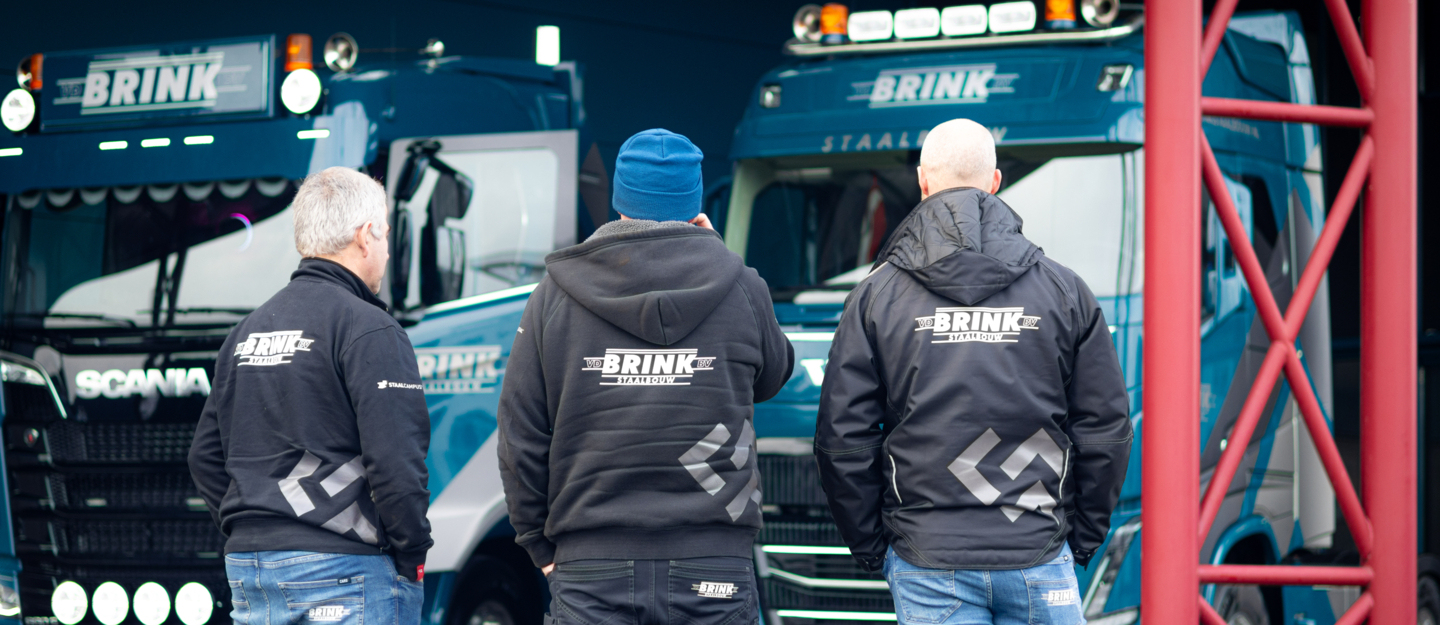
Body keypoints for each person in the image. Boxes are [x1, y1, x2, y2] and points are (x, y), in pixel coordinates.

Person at [814, 119, 1131, 625]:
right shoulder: (1066, 292)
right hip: (1038, 551)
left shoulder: (875, 296)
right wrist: (1081, 540)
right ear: (996, 182)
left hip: (926, 558)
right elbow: (1105, 431)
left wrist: (874, 547)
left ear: (922, 181)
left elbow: (842, 440)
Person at [498, 128, 794, 625]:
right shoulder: (740, 286)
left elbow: (519, 432)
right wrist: (714, 255)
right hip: (713, 561)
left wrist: (539, 545)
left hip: (591, 566)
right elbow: (774, 375)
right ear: (695, 206)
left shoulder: (554, 295)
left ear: (620, 204)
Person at [189, 166, 432, 625]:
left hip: (250, 572)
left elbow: (204, 457)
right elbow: (396, 462)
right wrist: (412, 553)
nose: (385, 249)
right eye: (384, 234)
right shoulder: (369, 328)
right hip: (347, 572)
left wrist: (258, 527)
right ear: (365, 236)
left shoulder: (244, 333)